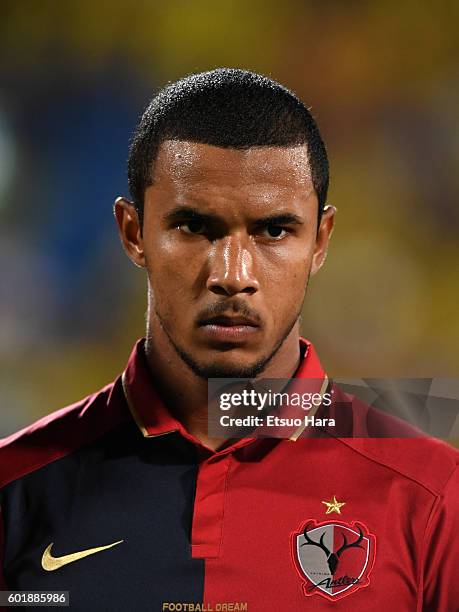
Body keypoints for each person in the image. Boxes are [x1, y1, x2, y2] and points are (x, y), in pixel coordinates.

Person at [0, 68, 457, 611]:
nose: (233, 274)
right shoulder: (15, 487)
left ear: (321, 240)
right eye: (194, 228)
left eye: (273, 231)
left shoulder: (434, 498)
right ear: (132, 233)